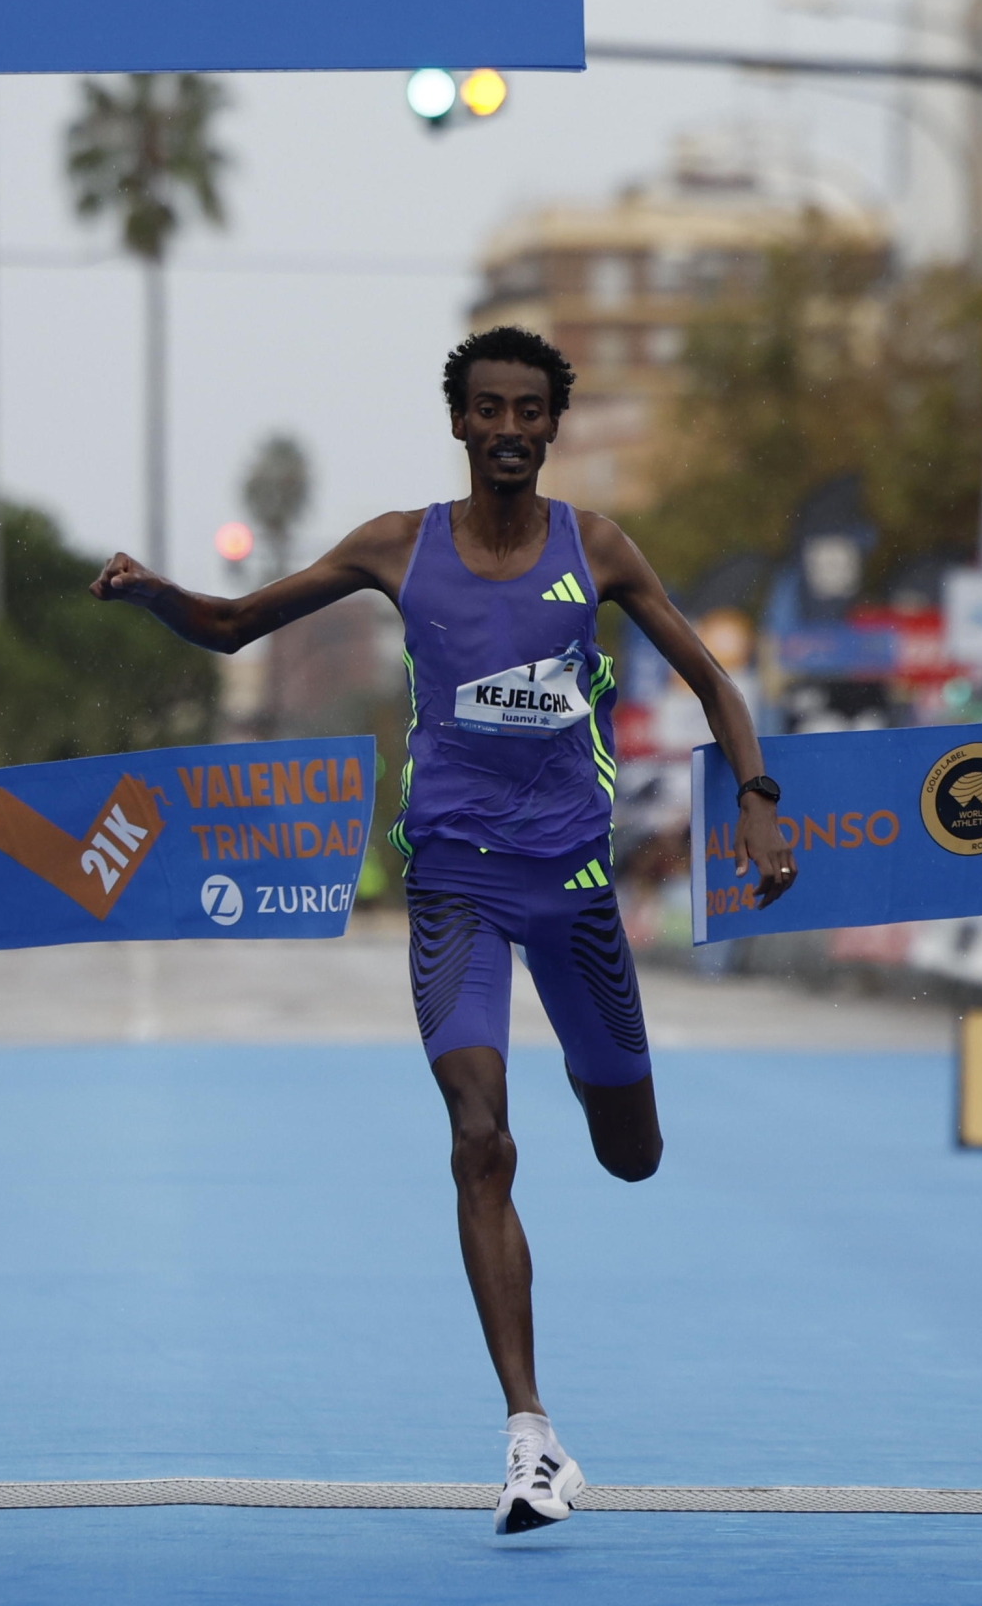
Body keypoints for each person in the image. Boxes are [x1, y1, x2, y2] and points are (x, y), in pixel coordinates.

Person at [91, 324, 796, 1533]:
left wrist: (760, 803)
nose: (511, 428)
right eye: (490, 409)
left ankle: (604, 1099)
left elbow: (713, 682)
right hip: (457, 883)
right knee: (480, 1138)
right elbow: (233, 624)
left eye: (532, 410)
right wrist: (159, 593)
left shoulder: (600, 547)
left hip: (572, 891)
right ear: (460, 421)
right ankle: (532, 1441)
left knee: (630, 1150)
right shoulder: (396, 544)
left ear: (551, 424)